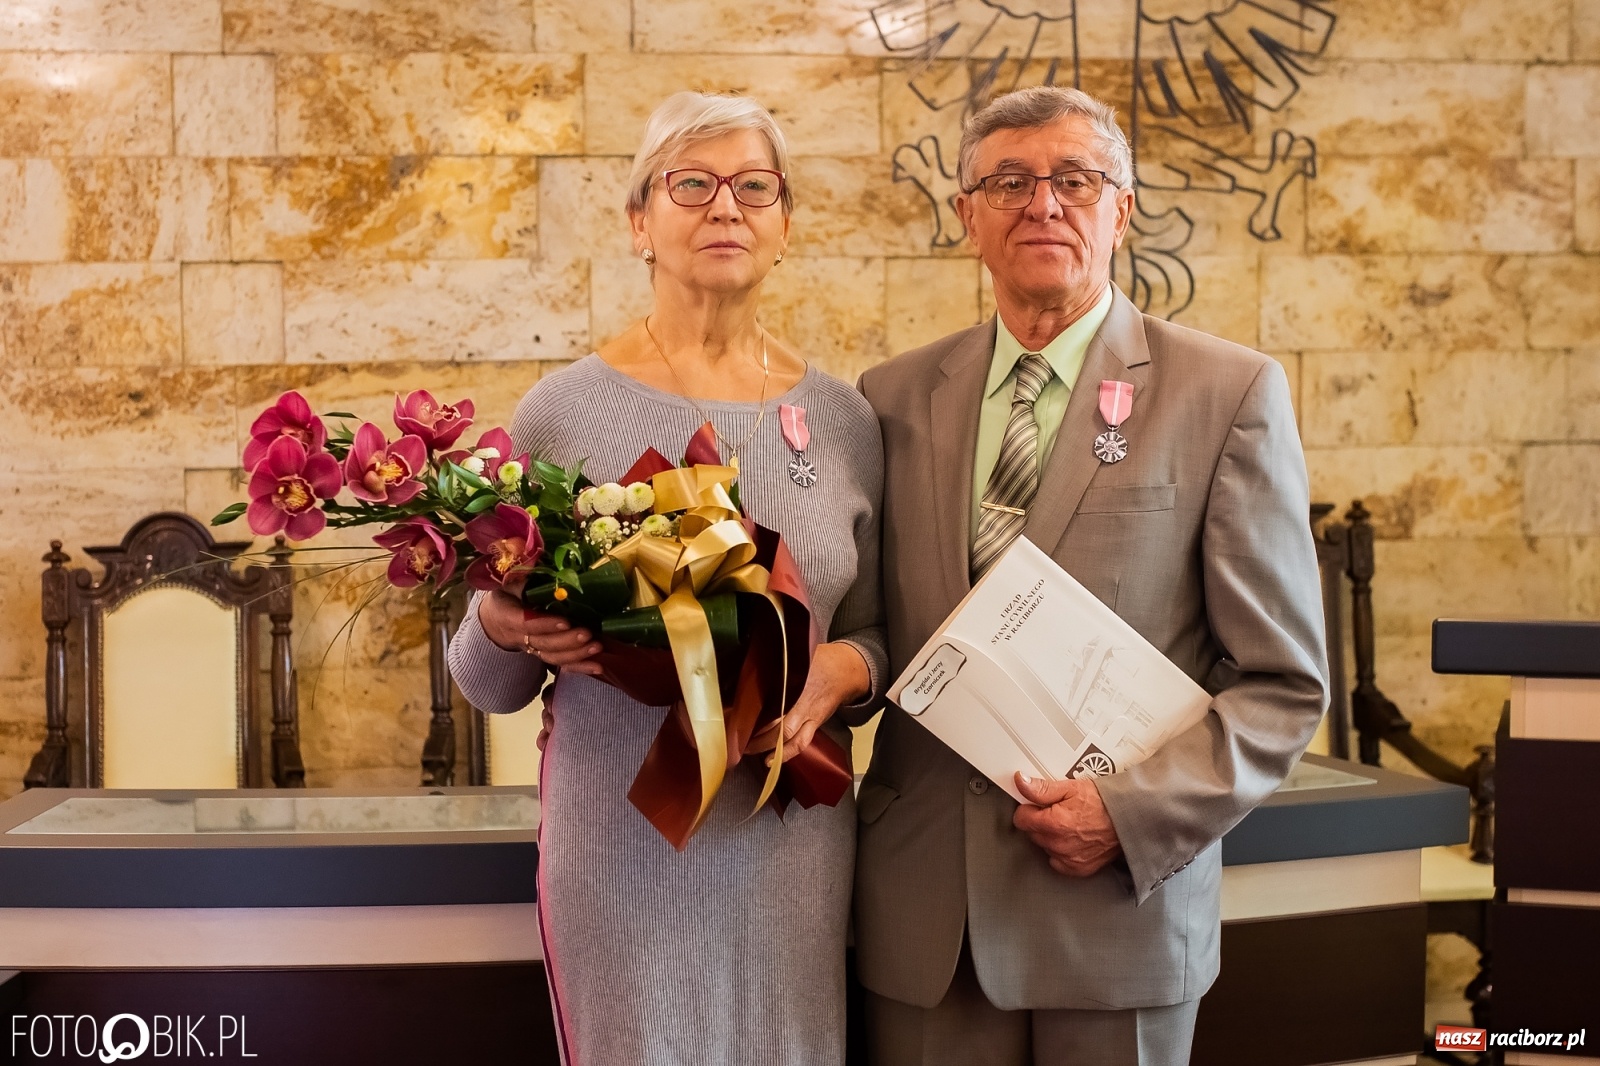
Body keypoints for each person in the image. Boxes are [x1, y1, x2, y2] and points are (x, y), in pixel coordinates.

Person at [853, 86, 1329, 1065]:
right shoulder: (890, 398)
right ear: (965, 216)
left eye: (1075, 178)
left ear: (1122, 206)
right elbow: (866, 640)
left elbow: (1282, 686)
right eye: (1008, 181)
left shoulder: (1225, 393)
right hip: (927, 927)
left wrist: (1128, 813)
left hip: (1116, 916)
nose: (1043, 203)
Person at [447, 92, 887, 1065]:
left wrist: (844, 672)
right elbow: (484, 681)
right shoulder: (559, 413)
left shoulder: (845, 418)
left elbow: (882, 636)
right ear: (639, 221)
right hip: (624, 844)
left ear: (783, 224)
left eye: (752, 187)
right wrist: (510, 625)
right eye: (691, 184)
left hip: (792, 840)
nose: (723, 207)